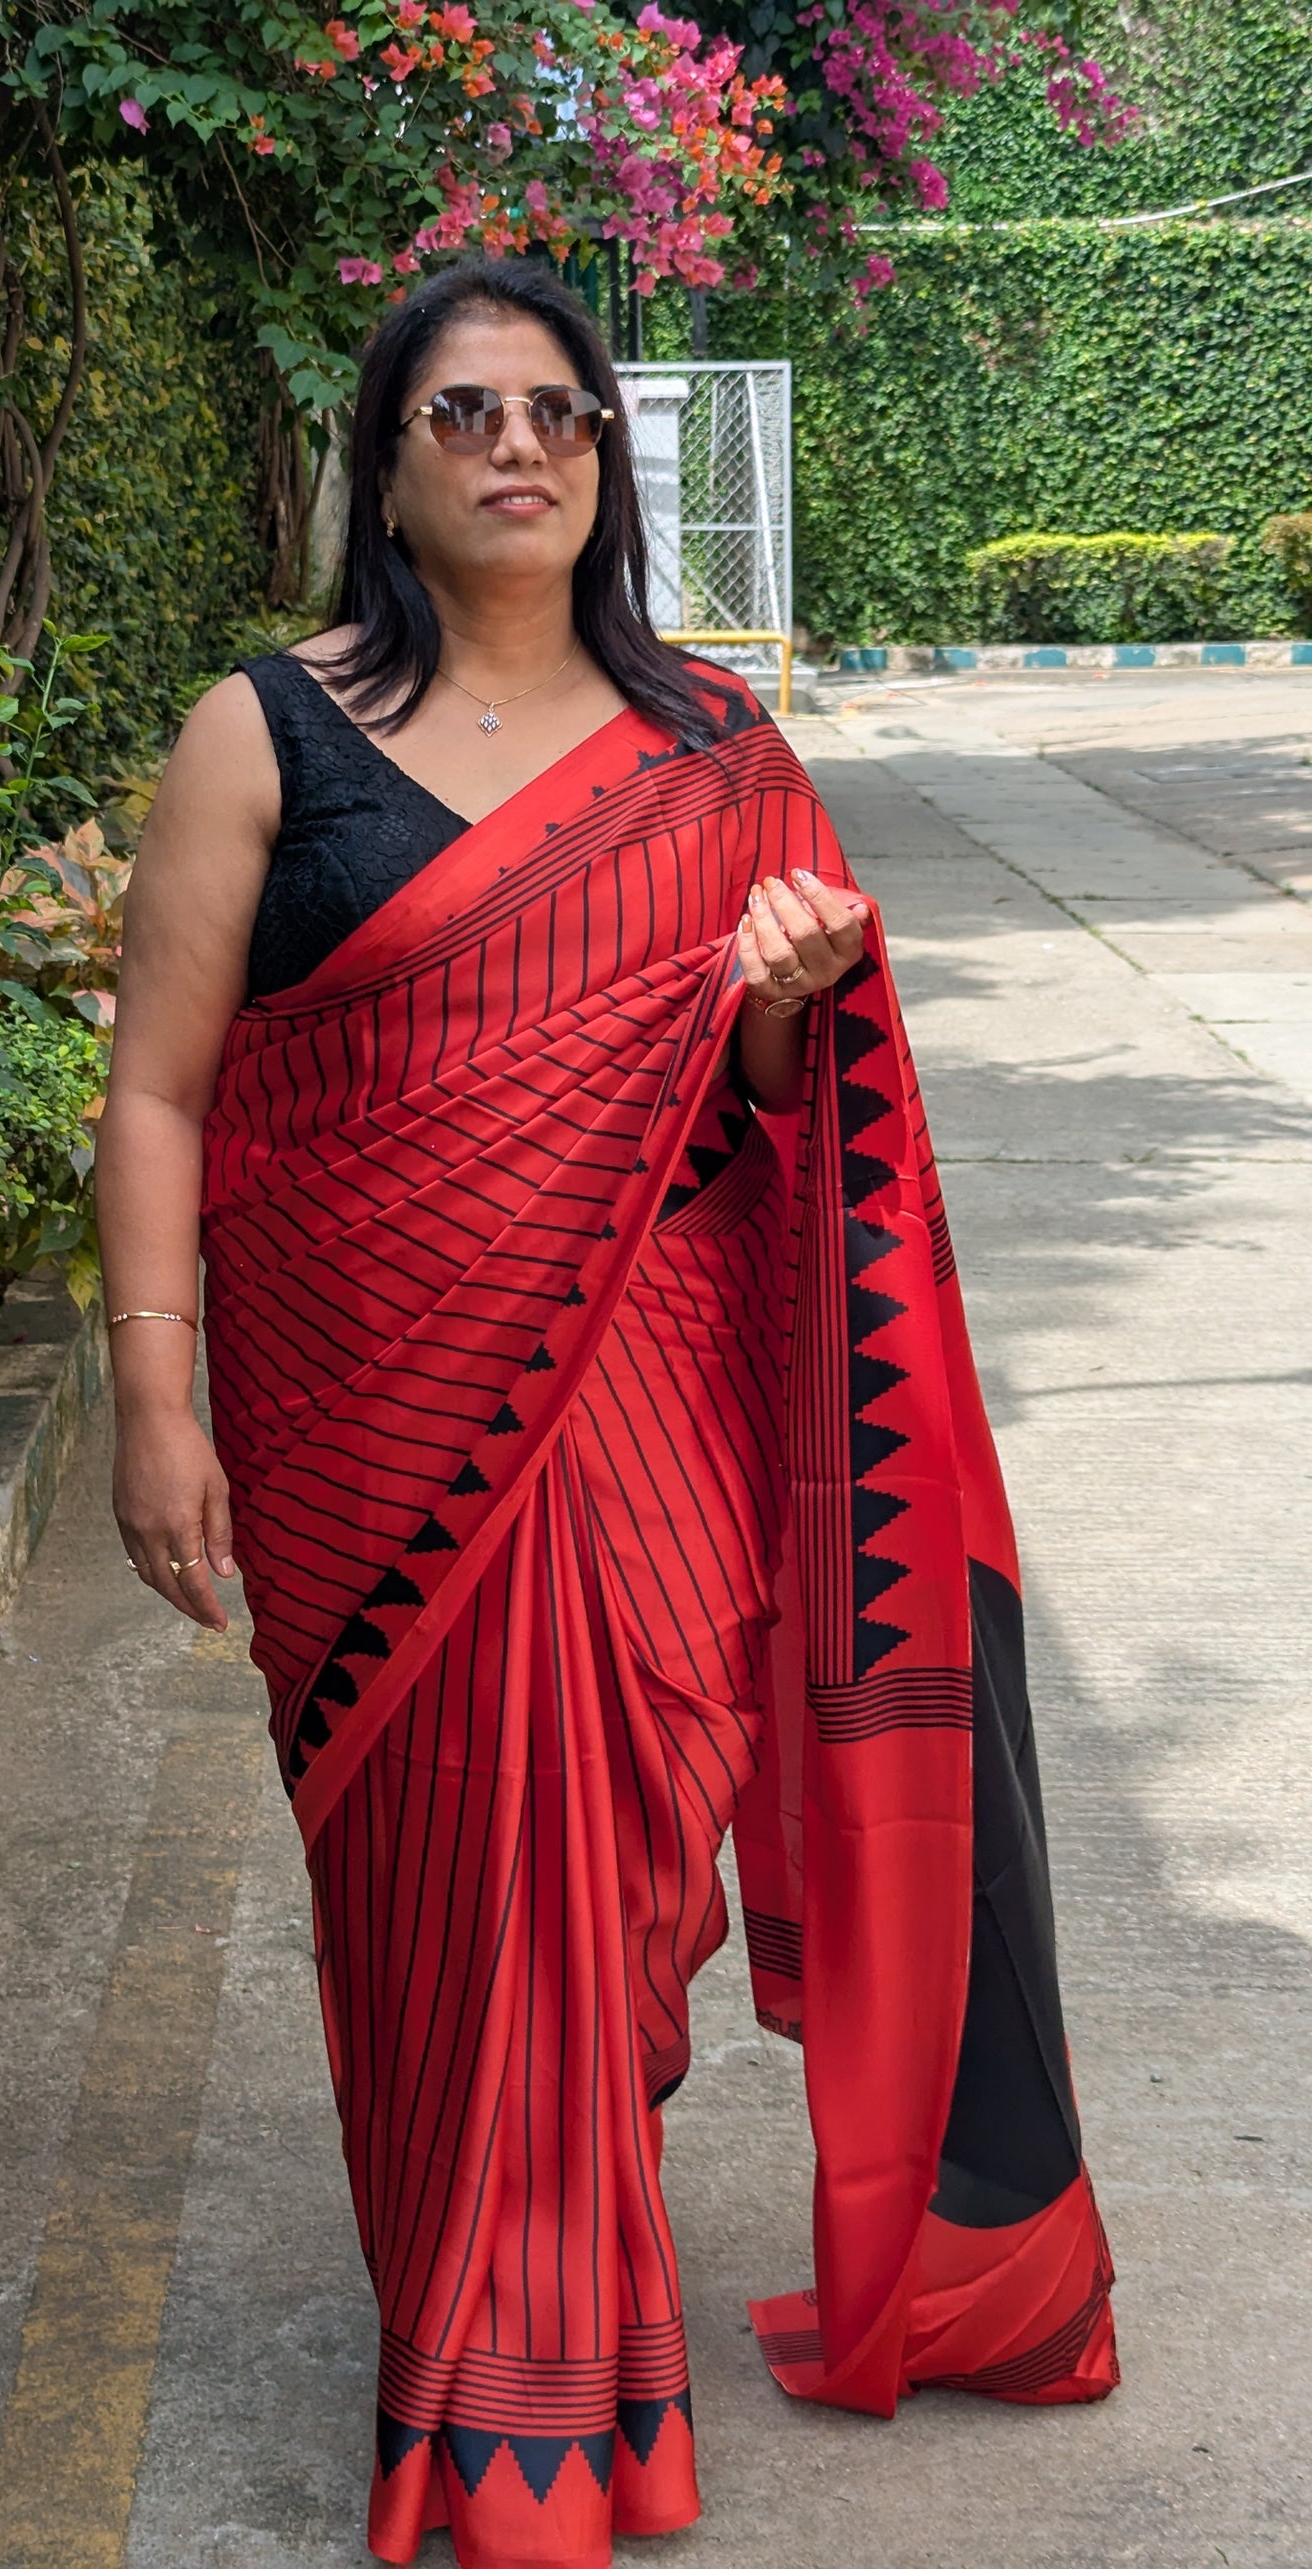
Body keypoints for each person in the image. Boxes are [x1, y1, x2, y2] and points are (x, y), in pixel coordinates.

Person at [95, 256, 1117, 2569]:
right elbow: (159, 1092)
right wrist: (156, 1399)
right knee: (439, 1894)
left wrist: (788, 1003)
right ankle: (518, 2370)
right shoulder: (264, 732)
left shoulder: (713, 762)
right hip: (365, 1424)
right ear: (390, 458)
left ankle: (535, 2362)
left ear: (610, 460)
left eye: (555, 410)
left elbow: (766, 1117)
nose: (515, 446)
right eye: (461, 412)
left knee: (616, 1857)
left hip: (642, 1406)